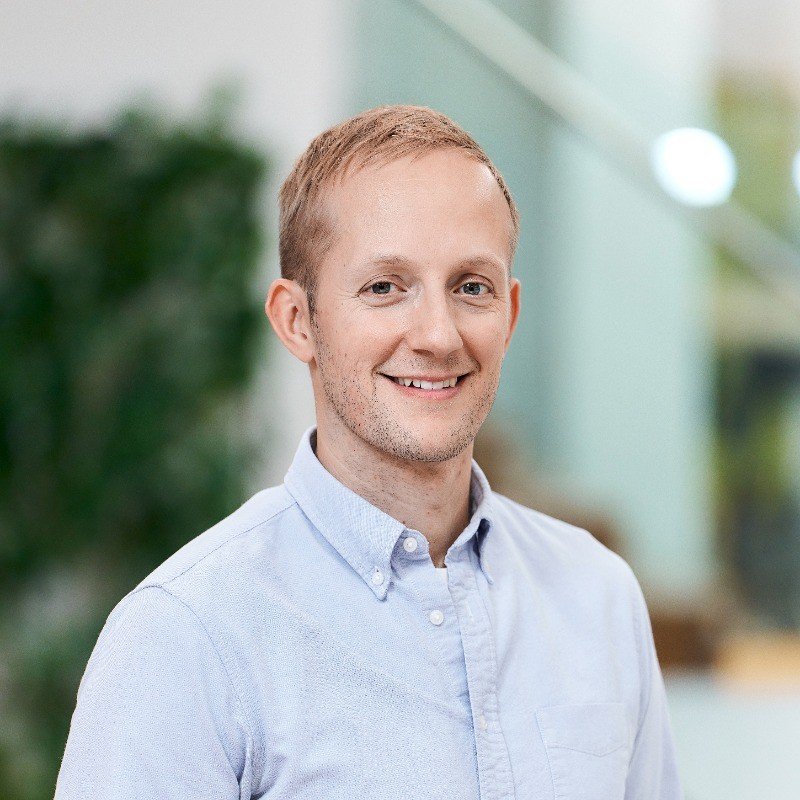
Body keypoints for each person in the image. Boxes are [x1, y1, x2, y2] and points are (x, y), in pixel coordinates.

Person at [55, 105, 683, 799]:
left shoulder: (598, 597)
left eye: (470, 287)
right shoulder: (187, 635)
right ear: (298, 320)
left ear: (510, 313)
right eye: (386, 287)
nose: (439, 336)